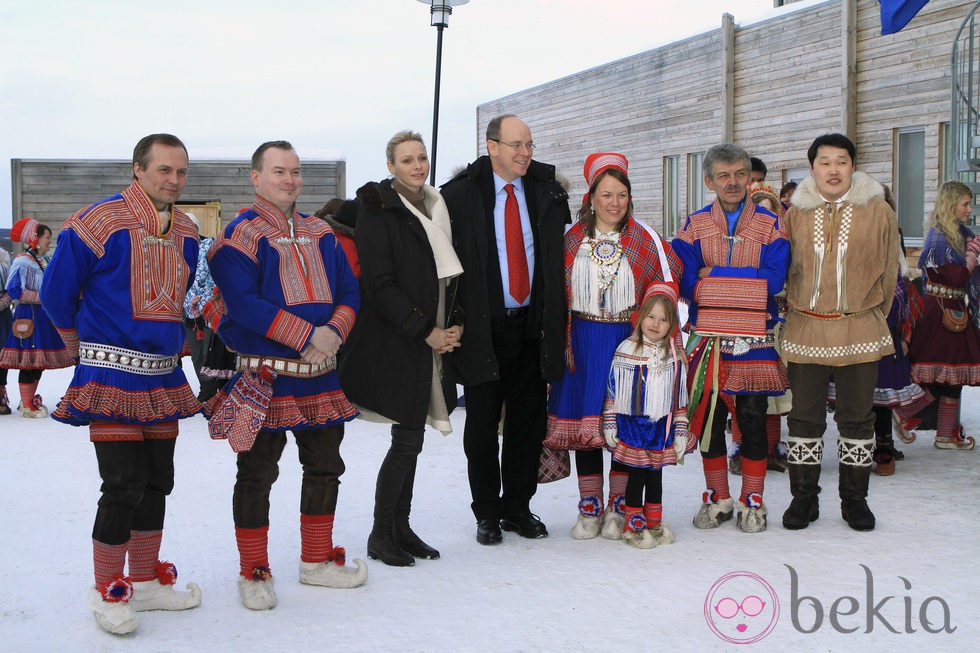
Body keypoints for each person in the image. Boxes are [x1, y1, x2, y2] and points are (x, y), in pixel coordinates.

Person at [41, 134, 203, 635]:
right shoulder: (96, 223)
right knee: (122, 484)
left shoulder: (190, 232)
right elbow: (55, 293)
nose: (173, 180)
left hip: (163, 376)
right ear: (138, 169)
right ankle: (107, 587)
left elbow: (180, 296)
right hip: (110, 373)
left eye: (180, 172)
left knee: (158, 482)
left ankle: (147, 582)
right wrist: (79, 345)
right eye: (163, 170)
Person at [206, 140, 366, 611]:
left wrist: (334, 330)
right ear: (256, 177)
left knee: (325, 466)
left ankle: (316, 560)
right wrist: (307, 335)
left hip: (320, 375)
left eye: (295, 172)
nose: (289, 180)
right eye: (279, 171)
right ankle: (254, 570)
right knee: (256, 474)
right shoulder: (236, 238)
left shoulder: (322, 232)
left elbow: (350, 291)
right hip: (265, 376)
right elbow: (244, 305)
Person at [441, 114, 571, 545]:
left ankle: (518, 506)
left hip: (534, 327)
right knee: (480, 426)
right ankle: (487, 512)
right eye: (516, 145)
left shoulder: (546, 192)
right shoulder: (459, 197)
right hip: (483, 328)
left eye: (529, 144)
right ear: (492, 146)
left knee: (527, 425)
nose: (525, 153)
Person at [339, 130, 463, 566]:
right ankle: (381, 533)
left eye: (422, 158)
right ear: (390, 166)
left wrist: (450, 328)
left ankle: (400, 527)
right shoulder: (379, 208)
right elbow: (379, 282)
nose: (417, 166)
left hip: (430, 337)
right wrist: (423, 329)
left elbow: (449, 275)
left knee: (411, 438)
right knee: (406, 438)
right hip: (396, 338)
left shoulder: (434, 204)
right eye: (407, 160)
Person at [543, 152, 680, 540]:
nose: (614, 203)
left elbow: (667, 283)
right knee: (587, 427)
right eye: (606, 194)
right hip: (582, 342)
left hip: (628, 342)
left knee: (626, 423)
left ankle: (620, 507)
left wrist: (652, 315)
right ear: (591, 197)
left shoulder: (645, 238)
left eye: (621, 194)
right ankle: (589, 508)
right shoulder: (571, 239)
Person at [780, 133, 899, 532]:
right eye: (825, 161)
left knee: (857, 420)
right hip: (806, 328)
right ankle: (803, 500)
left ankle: (854, 501)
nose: (833, 169)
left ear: (853, 166)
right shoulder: (794, 214)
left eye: (842, 161)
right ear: (811, 167)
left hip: (859, 327)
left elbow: (889, 269)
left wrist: (866, 314)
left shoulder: (878, 209)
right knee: (804, 418)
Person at [672, 143, 790, 534]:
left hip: (755, 337)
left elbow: (775, 280)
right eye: (724, 175)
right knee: (709, 415)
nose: (733, 181)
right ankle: (717, 495)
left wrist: (716, 276)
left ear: (750, 176)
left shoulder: (772, 224)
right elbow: (687, 283)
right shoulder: (693, 226)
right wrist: (744, 284)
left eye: (740, 173)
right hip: (708, 338)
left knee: (753, 416)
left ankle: (752, 498)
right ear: (709, 181)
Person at [602, 282, 693, 548]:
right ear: (641, 317)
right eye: (651, 317)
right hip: (633, 428)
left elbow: (679, 398)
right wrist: (610, 422)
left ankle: (654, 522)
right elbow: (613, 391)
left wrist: (679, 431)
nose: (655, 324)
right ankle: (634, 524)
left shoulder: (674, 358)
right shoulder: (626, 351)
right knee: (637, 476)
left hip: (659, 430)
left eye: (663, 320)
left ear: (672, 324)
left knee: (656, 477)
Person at [909, 180, 980, 450]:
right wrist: (973, 254)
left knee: (954, 376)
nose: (969, 210)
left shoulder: (961, 234)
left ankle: (945, 435)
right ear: (951, 205)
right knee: (933, 374)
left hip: (954, 310)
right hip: (939, 312)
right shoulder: (939, 237)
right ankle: (904, 414)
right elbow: (957, 275)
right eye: (965, 204)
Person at [0, 218, 72, 418]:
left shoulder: (45, 261)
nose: (50, 241)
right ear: (36, 239)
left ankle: (29, 400)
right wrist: (43, 297)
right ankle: (26, 404)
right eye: (47, 237)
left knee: (38, 362)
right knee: (29, 361)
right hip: (29, 315)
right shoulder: (22, 261)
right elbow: (14, 290)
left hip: (43, 316)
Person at [0, 247, 14, 414]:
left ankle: (1, 394)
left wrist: (4, 302)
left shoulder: (3, 255)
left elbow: (11, 285)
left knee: (2, 355)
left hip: (1, 313)